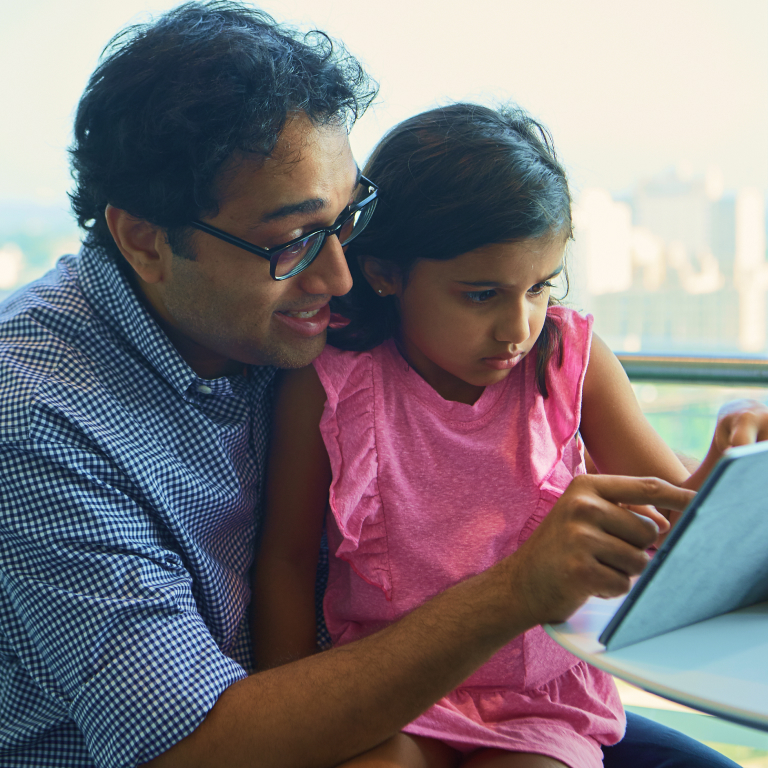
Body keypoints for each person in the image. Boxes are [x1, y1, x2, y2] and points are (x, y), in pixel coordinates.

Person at [0, 2, 759, 767]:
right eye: (294, 241)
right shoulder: (38, 421)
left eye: (347, 220)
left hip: (484, 692)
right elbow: (199, 746)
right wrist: (516, 589)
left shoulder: (278, 322)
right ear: (144, 238)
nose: (339, 278)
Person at [252, 104, 766, 768]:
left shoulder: (571, 364)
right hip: (386, 689)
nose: (517, 327)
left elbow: (675, 523)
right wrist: (290, 723)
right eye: (481, 295)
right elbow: (286, 559)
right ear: (385, 272)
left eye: (539, 288)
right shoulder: (330, 384)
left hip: (538, 700)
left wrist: (732, 462)